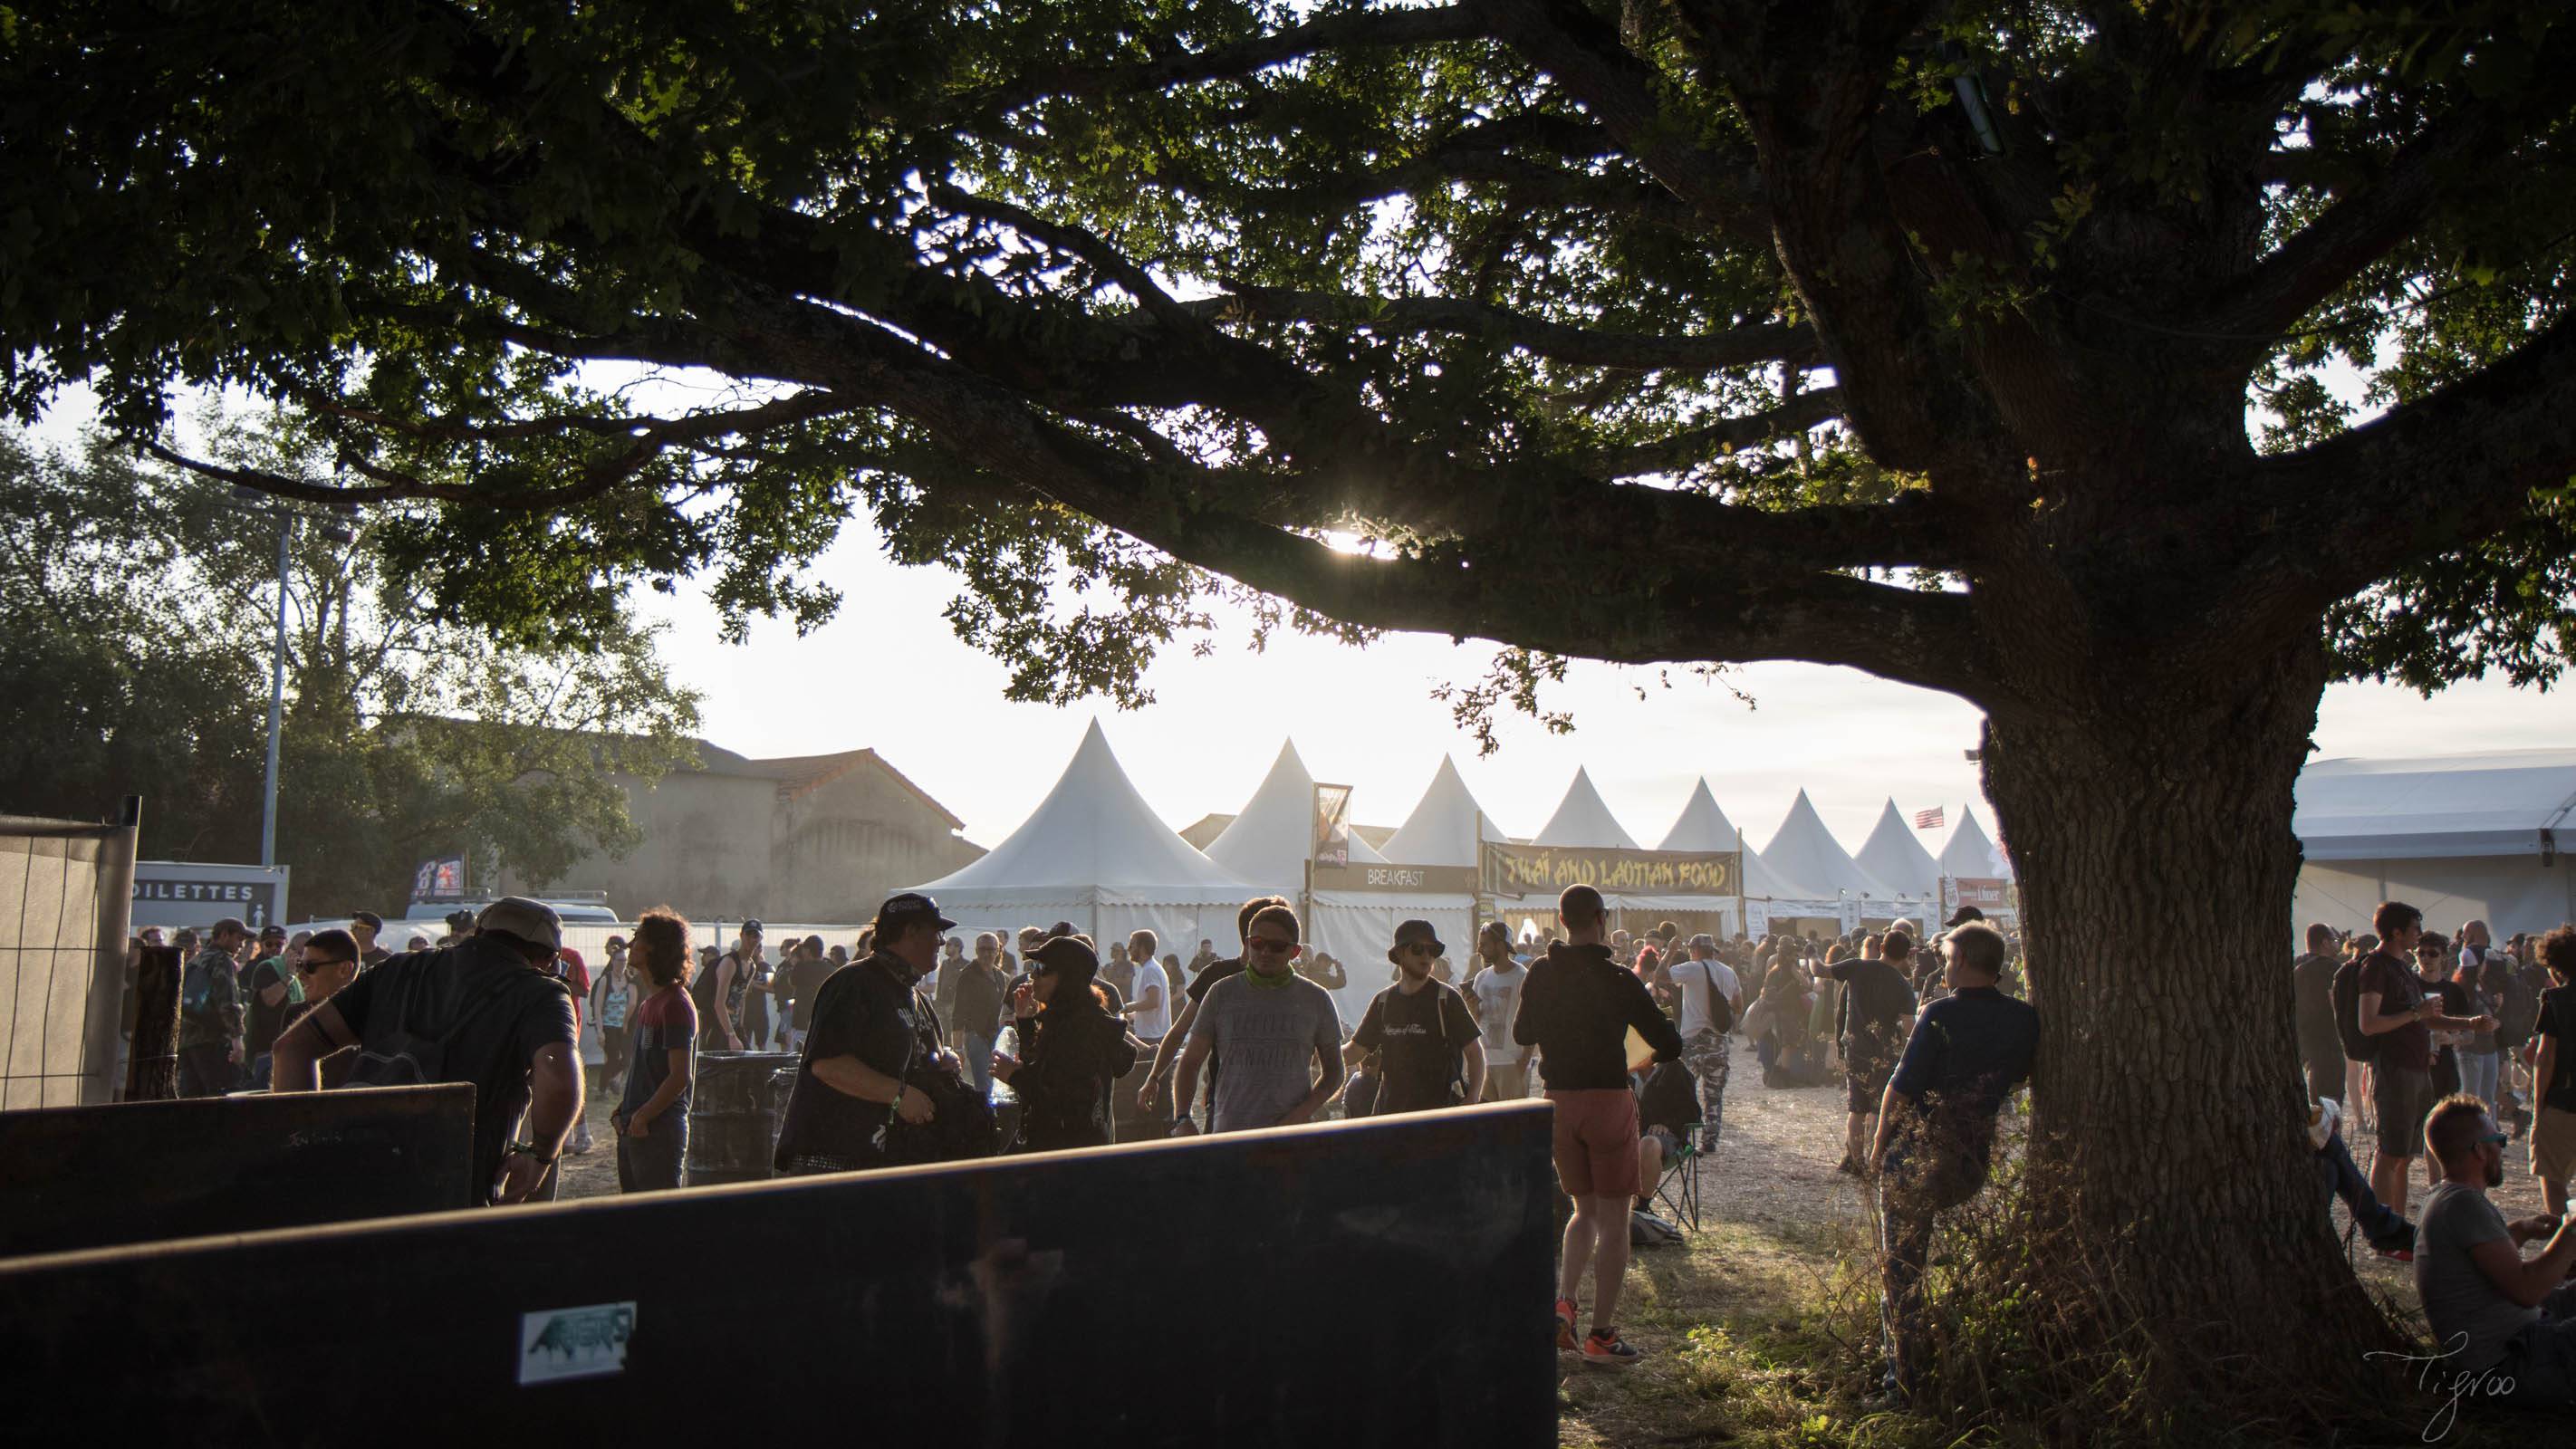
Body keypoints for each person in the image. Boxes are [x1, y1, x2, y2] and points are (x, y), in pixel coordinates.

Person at [270, 897, 581, 1206]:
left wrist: (304, 1150)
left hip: (353, 1179)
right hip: (453, 1195)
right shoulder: (542, 993)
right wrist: (540, 1155)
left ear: (479, 932)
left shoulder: (397, 969)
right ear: (549, 958)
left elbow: (291, 1048)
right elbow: (557, 1076)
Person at [1869, 921, 2040, 1405]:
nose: (1943, 966)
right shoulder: (2025, 1019)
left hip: (1918, 1157)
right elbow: (2020, 1076)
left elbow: (1900, 1088)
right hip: (1972, 1159)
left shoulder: (1940, 1013)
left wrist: (1879, 1148)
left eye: (1946, 958)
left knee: (1901, 1271)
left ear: (1962, 959)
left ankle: (1902, 1382)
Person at [1515, 884, 1685, 1368]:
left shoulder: (1541, 972)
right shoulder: (1618, 979)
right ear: (1601, 918)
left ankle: (1565, 1302)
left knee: (1581, 1210)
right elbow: (1669, 1046)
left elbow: (1522, 1033)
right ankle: (1602, 1337)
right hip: (1608, 1100)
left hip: (1557, 1103)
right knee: (1614, 1221)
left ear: (1563, 919)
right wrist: (1638, 1037)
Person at [773, 894, 957, 1176]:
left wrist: (945, 1061)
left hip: (882, 1163)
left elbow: (914, 1053)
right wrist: (899, 1095)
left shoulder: (913, 994)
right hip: (833, 1165)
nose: (941, 942)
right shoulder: (854, 983)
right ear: (911, 932)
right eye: (937, 932)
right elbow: (827, 1064)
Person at [2414, 1094, 2576, 1406]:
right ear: (2479, 1150)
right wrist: (2570, 1232)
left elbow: (2481, 1266)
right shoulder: (2462, 1204)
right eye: (2498, 1139)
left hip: (2520, 1336)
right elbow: (2527, 1290)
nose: (2502, 1148)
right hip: (2508, 1365)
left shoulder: (2446, 1198)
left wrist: (2521, 1229)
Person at [2361, 902, 2493, 1210]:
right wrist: (2414, 1013)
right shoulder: (2378, 967)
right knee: (2391, 1153)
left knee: (2405, 1156)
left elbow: (2424, 1019)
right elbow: (2368, 1024)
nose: (2419, 938)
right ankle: (2384, 1230)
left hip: (2418, 1069)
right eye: (2415, 930)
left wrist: (2469, 1023)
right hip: (2396, 1069)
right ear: (2397, 932)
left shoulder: (2400, 969)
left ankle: (2396, 1222)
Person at [1172, 903, 1344, 1135]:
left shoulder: (1317, 999)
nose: (1265, 952)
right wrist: (1182, 1117)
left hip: (1291, 1141)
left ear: (1294, 952)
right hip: (1230, 1137)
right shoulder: (1220, 993)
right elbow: (1190, 1061)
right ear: (1247, 942)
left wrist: (1300, 1114)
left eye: (1277, 946)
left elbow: (1335, 1072)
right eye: (1258, 943)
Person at [1138, 897, 1287, 1131]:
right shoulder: (1218, 977)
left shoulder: (1295, 986)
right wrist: (1156, 1078)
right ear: (1252, 937)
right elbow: (1180, 1033)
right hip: (1226, 1107)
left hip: (1279, 1110)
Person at [993, 934, 1139, 1151]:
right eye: (1033, 966)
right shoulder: (1063, 1018)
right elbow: (1042, 1069)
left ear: (1067, 978)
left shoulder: (1080, 1027)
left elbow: (1064, 1102)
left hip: (1070, 1154)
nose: (1033, 975)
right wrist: (1024, 1021)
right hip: (1063, 1146)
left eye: (1042, 969)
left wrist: (1014, 1076)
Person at [1344, 919, 1485, 1115]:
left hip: (1439, 1117)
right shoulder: (1383, 1001)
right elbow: (1356, 1050)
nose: (1427, 956)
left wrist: (1473, 1097)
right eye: (1418, 949)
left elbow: (1474, 1052)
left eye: (1433, 950)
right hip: (1391, 1116)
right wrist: (1317, 1054)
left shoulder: (1446, 998)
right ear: (1400, 953)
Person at [610, 908, 696, 1192]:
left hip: (658, 1131)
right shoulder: (651, 1003)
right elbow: (648, 1068)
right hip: (637, 1126)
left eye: (638, 938)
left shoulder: (675, 1005)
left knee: (659, 1224)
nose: (630, 944)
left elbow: (679, 1077)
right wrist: (625, 1110)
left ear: (656, 948)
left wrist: (643, 1117)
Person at [1832, 932, 1919, 1176]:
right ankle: (1874, 1162)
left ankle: (1854, 1159)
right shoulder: (1902, 984)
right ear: (1906, 955)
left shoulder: (1857, 970)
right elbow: (1909, 1026)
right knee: (1877, 1109)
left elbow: (1823, 975)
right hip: (1884, 1051)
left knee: (1856, 1108)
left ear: (1882, 946)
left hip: (1855, 1047)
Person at [1666, 934, 1741, 1150]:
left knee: (1684, 1089)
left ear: (1695, 950)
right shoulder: (1729, 972)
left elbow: (1660, 975)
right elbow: (1738, 1005)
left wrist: (1670, 951)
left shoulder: (1692, 968)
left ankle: (1682, 1138)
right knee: (1714, 1093)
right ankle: (1710, 1141)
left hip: (1693, 1038)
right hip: (1719, 1039)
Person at [2532, 926, 2576, 1217]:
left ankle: (2566, 1247)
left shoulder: (2555, 1000)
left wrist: (2538, 1107)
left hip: (2563, 1101)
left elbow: (2545, 1058)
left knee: (2553, 1176)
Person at [177, 917, 248, 1098]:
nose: (241, 945)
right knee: (220, 1093)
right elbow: (228, 1001)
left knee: (191, 1095)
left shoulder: (197, 959)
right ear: (224, 935)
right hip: (212, 1038)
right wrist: (237, 1039)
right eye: (239, 938)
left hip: (187, 1038)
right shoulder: (222, 960)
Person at [283, 928, 361, 1089]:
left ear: (344, 969)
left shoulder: (374, 1016)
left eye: (310, 967)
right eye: (300, 965)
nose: (300, 975)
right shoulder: (296, 1015)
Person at [1467, 922, 1533, 1101]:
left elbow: (1532, 1021)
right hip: (1485, 1063)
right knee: (1488, 1125)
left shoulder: (1522, 976)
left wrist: (1523, 1062)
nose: (1479, 949)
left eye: (1484, 944)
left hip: (1512, 1063)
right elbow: (1476, 1021)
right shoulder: (1481, 977)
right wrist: (1473, 1008)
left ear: (1501, 945)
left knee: (1513, 1124)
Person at [2291, 922, 2346, 1103]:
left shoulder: (2295, 964)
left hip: (2301, 1039)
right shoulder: (2331, 968)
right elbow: (2337, 1004)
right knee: (2329, 1103)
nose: (2338, 944)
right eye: (2335, 940)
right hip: (2327, 1040)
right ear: (2325, 943)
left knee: (2314, 1096)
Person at [241, 923, 300, 1089]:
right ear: (261, 944)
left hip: (282, 1040)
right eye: (269, 944)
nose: (274, 948)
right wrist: (289, 976)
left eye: (279, 944)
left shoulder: (288, 965)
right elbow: (269, 1000)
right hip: (262, 1041)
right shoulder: (260, 967)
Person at [950, 933, 1009, 1096]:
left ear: (998, 951)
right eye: (983, 949)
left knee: (997, 1083)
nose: (987, 954)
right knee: (984, 1085)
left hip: (995, 1035)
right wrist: (958, 1048)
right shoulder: (967, 975)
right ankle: (985, 1118)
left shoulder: (999, 976)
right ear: (976, 950)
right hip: (975, 1035)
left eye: (991, 950)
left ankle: (994, 1117)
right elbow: (958, 1013)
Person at [694, 922, 761, 1052]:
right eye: (749, 934)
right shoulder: (729, 962)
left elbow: (742, 998)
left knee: (749, 1066)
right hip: (716, 1024)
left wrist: (740, 1028)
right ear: (741, 935)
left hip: (733, 1026)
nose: (752, 939)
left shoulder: (751, 966)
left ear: (760, 939)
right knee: (715, 1068)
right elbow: (719, 1003)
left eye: (756, 936)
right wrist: (731, 1035)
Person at [594, 936, 635, 1099]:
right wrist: (599, 1030)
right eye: (619, 960)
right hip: (608, 1025)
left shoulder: (629, 979)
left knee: (627, 1060)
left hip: (623, 1026)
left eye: (625, 960)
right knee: (612, 1058)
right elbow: (597, 1005)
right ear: (613, 961)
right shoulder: (606, 979)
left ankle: (610, 1080)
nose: (622, 963)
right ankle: (601, 1091)